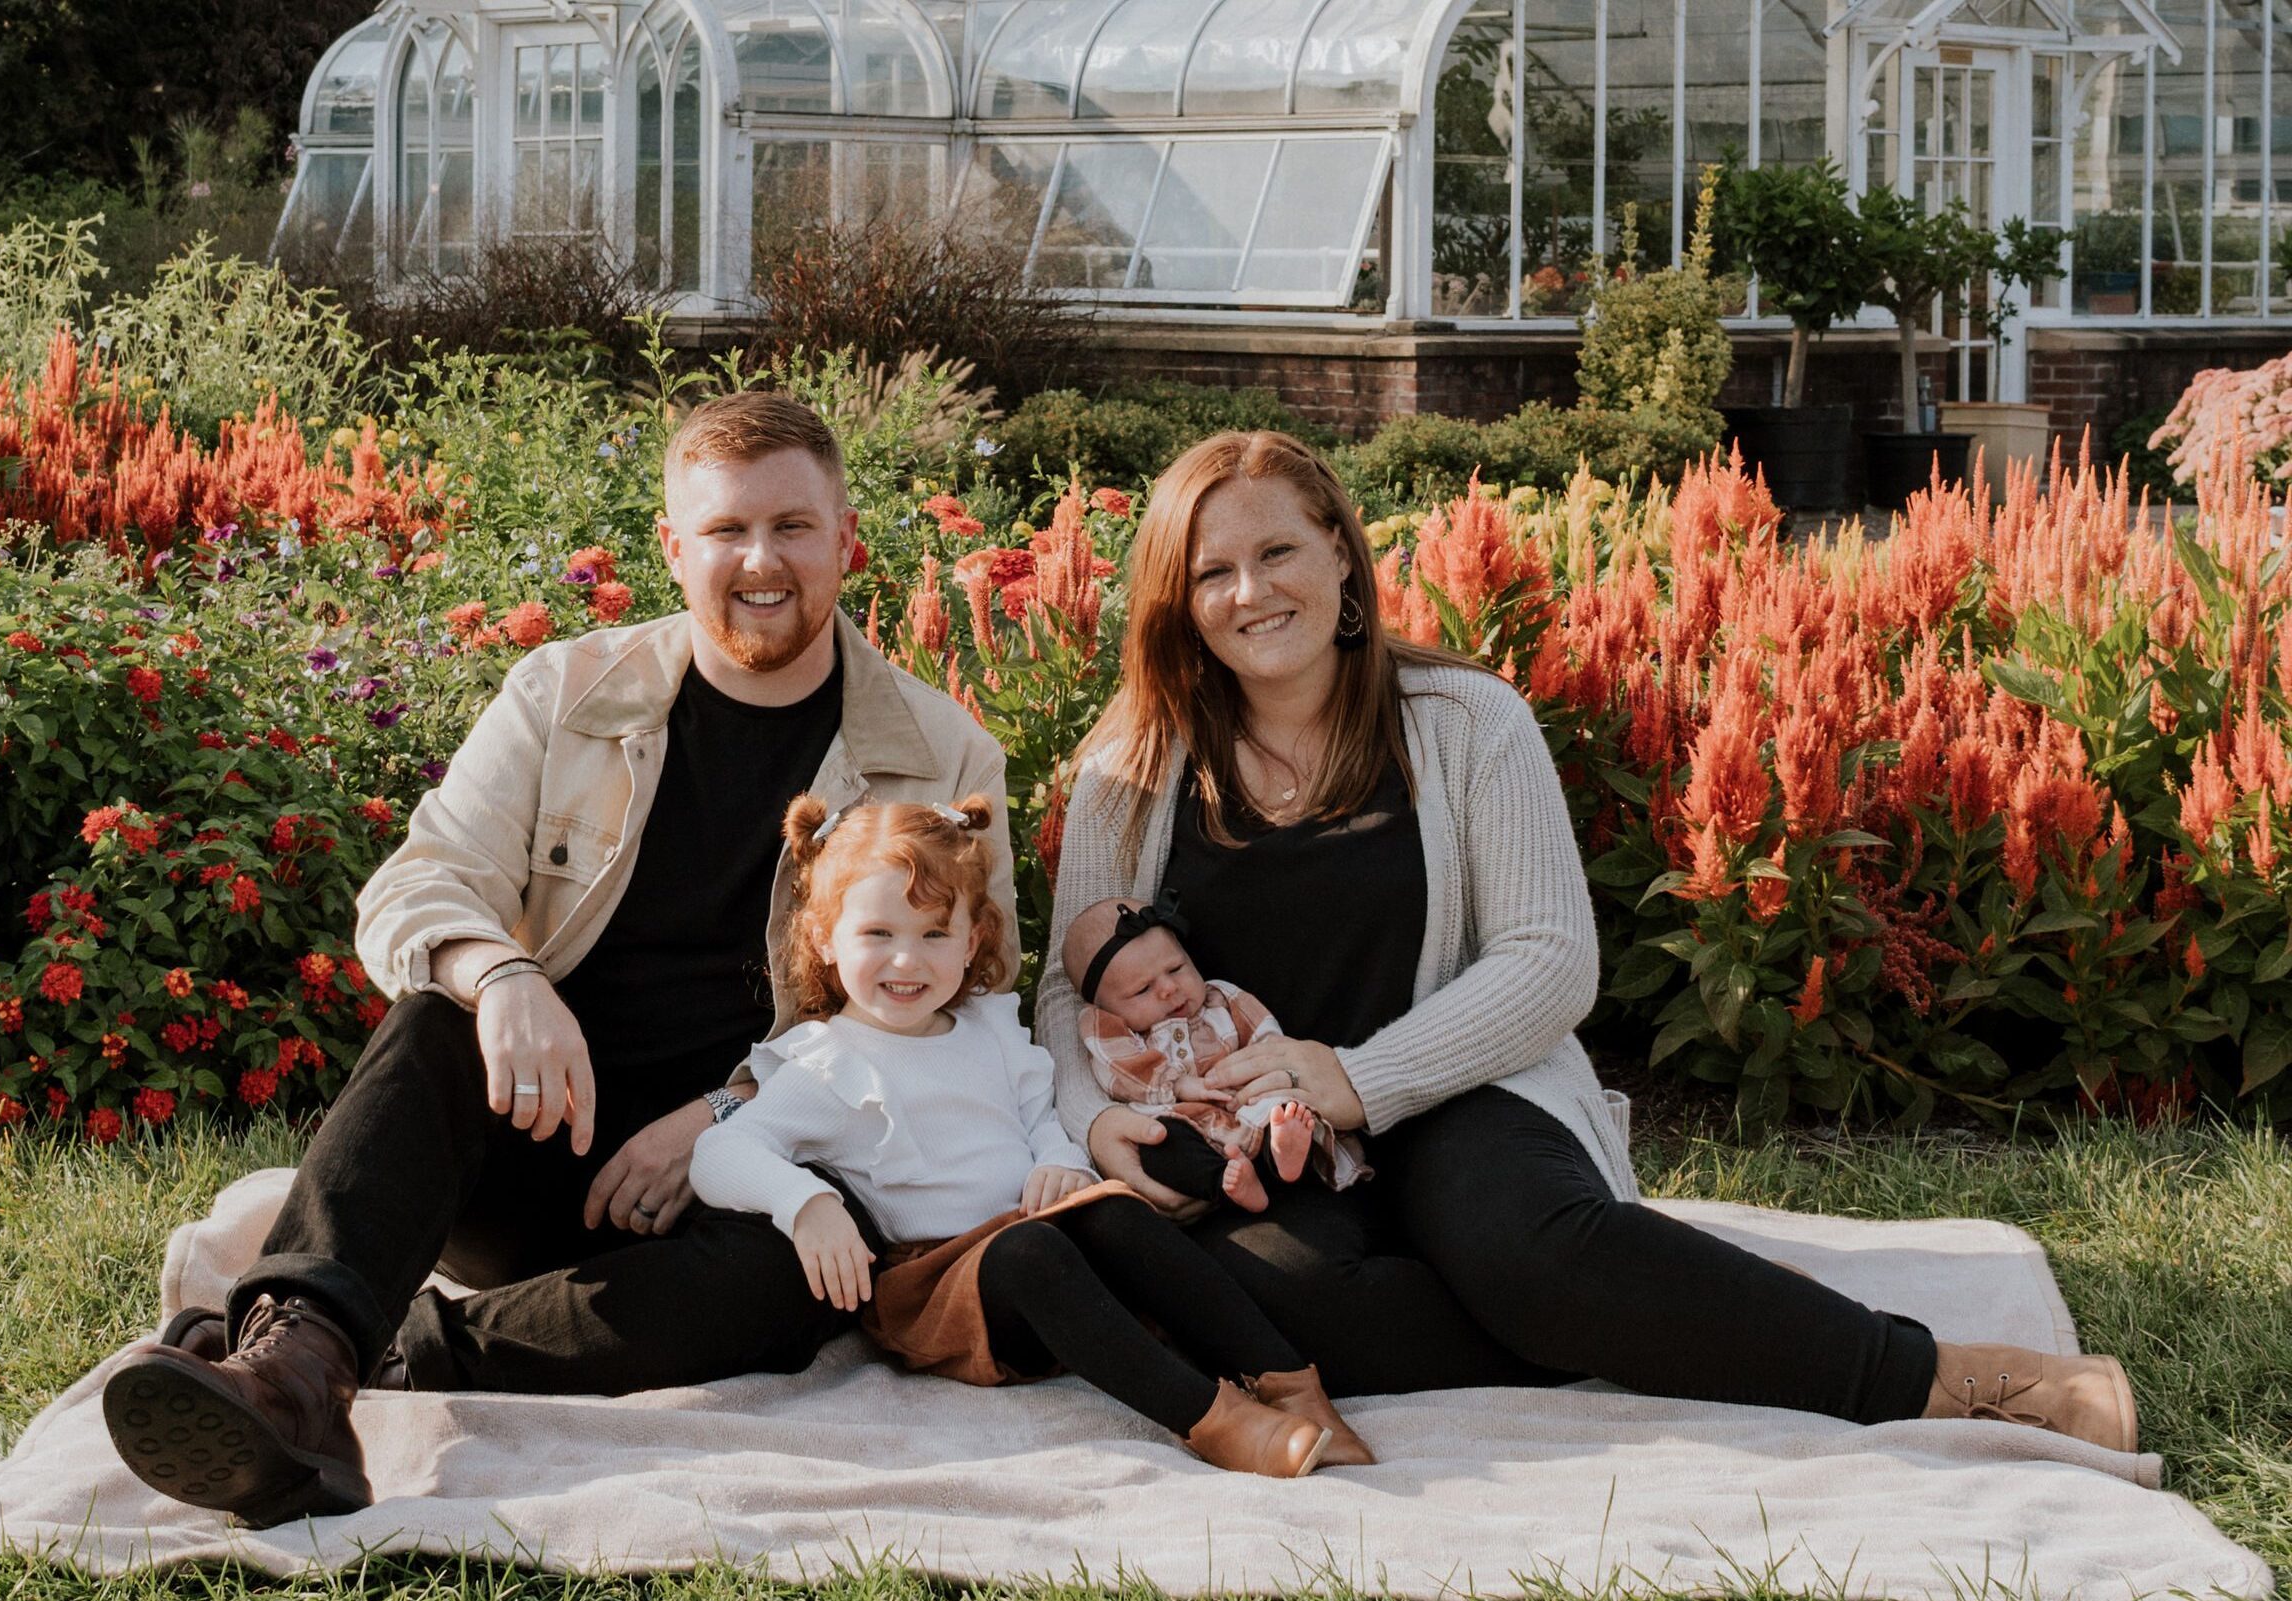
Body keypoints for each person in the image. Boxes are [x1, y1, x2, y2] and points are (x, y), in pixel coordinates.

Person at [1035, 429, 2140, 1450]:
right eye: (1213, 572)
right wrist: (1098, 1123)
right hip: (1256, 1140)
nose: (1251, 591)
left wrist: (1358, 1079)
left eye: (1277, 550)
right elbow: (1063, 990)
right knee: (1281, 1301)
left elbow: (1551, 958)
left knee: (1523, 1246)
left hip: (1458, 1087)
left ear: (1337, 550)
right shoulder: (1134, 766)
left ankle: (1941, 1376)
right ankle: (1648, 1308)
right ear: (1179, 602)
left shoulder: (1466, 719)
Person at [101, 392, 1015, 1528]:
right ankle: (295, 1358)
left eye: (792, 526)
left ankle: (365, 1364)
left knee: (818, 1266)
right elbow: (418, 884)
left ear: (846, 540)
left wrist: (732, 1112)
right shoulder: (565, 694)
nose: (760, 559)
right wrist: (504, 977)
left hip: (746, 1179)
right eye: (726, 530)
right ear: (673, 548)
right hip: (542, 1127)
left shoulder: (941, 754)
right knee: (437, 1015)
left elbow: (970, 1000)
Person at [689, 794, 1374, 1477]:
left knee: (1111, 1211)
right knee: (1032, 1250)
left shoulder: (989, 1029)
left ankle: (1292, 1386)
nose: (906, 960)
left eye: (934, 934)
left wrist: (1057, 1160)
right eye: (878, 934)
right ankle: (1217, 1422)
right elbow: (721, 1150)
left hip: (1042, 1248)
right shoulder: (828, 1063)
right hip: (940, 1289)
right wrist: (806, 1204)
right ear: (823, 939)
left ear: (972, 941)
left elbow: (1041, 1117)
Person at [1060, 894, 1366, 1212]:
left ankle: (1282, 1153)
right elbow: (1123, 1071)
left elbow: (1267, 1039)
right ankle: (1227, 1183)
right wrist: (1177, 1084)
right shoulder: (1108, 1029)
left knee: (1284, 1108)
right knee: (1158, 1142)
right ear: (1104, 1006)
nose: (1168, 988)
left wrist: (1268, 1075)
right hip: (1182, 1118)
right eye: (1143, 989)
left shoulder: (1221, 998)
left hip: (1246, 1103)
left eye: (1176, 968)